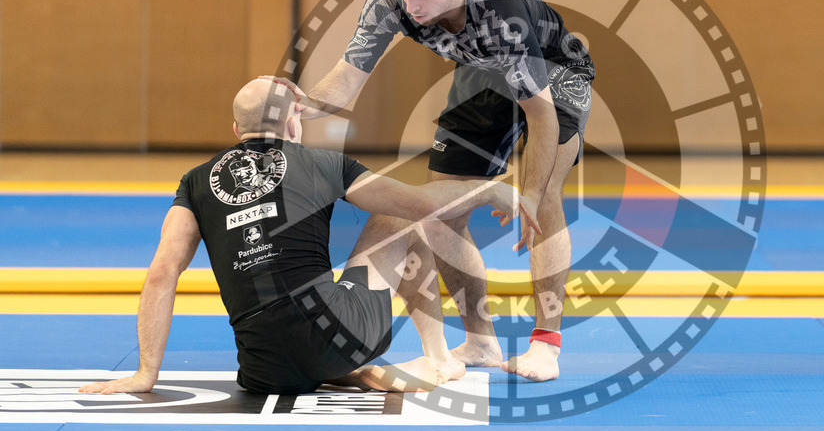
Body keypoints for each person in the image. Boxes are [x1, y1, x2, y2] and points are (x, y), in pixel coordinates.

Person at [80, 78, 539, 396]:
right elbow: (421, 205)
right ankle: (437, 357)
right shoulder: (324, 164)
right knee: (399, 217)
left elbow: (162, 274)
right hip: (339, 334)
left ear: (237, 132)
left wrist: (146, 373)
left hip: (264, 369)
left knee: (302, 306)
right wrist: (491, 189)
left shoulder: (196, 182)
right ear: (294, 122)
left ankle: (340, 369)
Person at [291, 0, 595, 382]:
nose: (413, 9)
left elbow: (541, 116)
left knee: (545, 197)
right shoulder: (391, 2)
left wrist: (528, 195)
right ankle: (480, 341)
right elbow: (347, 80)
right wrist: (300, 106)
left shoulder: (501, 11)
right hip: (482, 74)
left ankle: (545, 346)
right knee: (442, 207)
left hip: (555, 76)